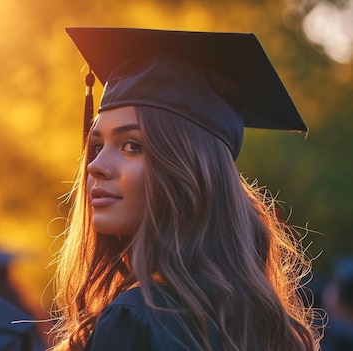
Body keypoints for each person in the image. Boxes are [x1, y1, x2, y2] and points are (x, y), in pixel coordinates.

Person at [50, 27, 322, 351]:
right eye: (96, 145)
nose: (95, 166)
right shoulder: (263, 324)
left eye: (131, 145)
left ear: (187, 170)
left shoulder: (134, 320)